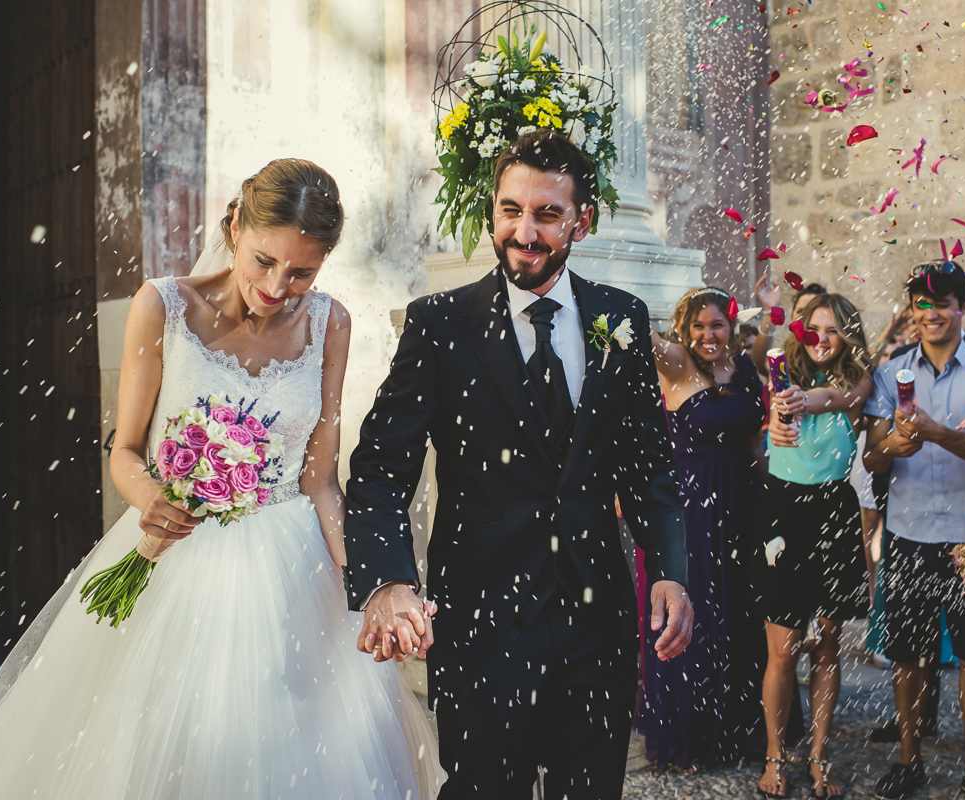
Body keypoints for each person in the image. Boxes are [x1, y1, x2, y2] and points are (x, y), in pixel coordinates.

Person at [0, 159, 443, 799]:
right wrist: (150, 497)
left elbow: (320, 482)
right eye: (264, 260)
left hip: (296, 574)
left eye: (302, 272)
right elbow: (124, 451)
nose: (277, 285)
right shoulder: (164, 306)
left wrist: (369, 586)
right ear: (234, 228)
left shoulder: (329, 325)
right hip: (177, 556)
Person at [342, 130, 693, 800]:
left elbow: (649, 468)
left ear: (580, 222)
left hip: (595, 625)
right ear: (492, 213)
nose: (524, 232)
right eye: (511, 211)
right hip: (481, 628)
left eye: (546, 215)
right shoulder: (439, 325)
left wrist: (670, 570)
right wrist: (387, 581)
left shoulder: (618, 319)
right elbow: (380, 472)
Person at [862, 260, 965, 800]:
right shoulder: (891, 372)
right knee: (907, 652)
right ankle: (910, 761)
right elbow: (874, 456)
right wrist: (892, 447)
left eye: (941, 303)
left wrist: (935, 432)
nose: (930, 314)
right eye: (921, 304)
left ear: (961, 307)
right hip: (907, 528)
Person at [636, 287, 772, 771]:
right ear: (684, 328)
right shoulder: (676, 362)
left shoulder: (743, 366)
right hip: (691, 511)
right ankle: (687, 737)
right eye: (698, 325)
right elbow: (637, 330)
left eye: (717, 324)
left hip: (739, 505)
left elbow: (754, 441)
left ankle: (736, 730)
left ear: (731, 326)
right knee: (698, 618)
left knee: (736, 615)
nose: (707, 335)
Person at [751, 294, 873, 799]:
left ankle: (820, 756)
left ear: (848, 335)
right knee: (781, 651)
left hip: (832, 514)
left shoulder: (859, 378)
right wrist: (775, 421)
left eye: (833, 330)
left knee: (826, 647)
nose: (822, 339)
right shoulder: (783, 374)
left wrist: (803, 402)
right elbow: (763, 373)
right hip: (783, 512)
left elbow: (838, 398)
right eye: (814, 328)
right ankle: (775, 757)